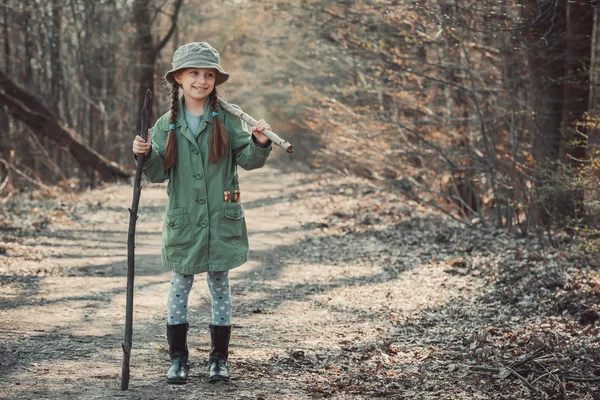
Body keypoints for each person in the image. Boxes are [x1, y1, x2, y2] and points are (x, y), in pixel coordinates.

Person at [131, 42, 273, 385]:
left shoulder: (228, 117)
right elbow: (157, 173)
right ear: (178, 78)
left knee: (220, 286)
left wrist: (260, 141)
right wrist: (144, 154)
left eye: (209, 74)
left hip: (221, 219)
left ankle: (218, 360)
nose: (201, 80)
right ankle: (178, 359)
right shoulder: (166, 124)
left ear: (215, 80)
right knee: (179, 286)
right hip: (184, 222)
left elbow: (248, 160)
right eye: (194, 73)